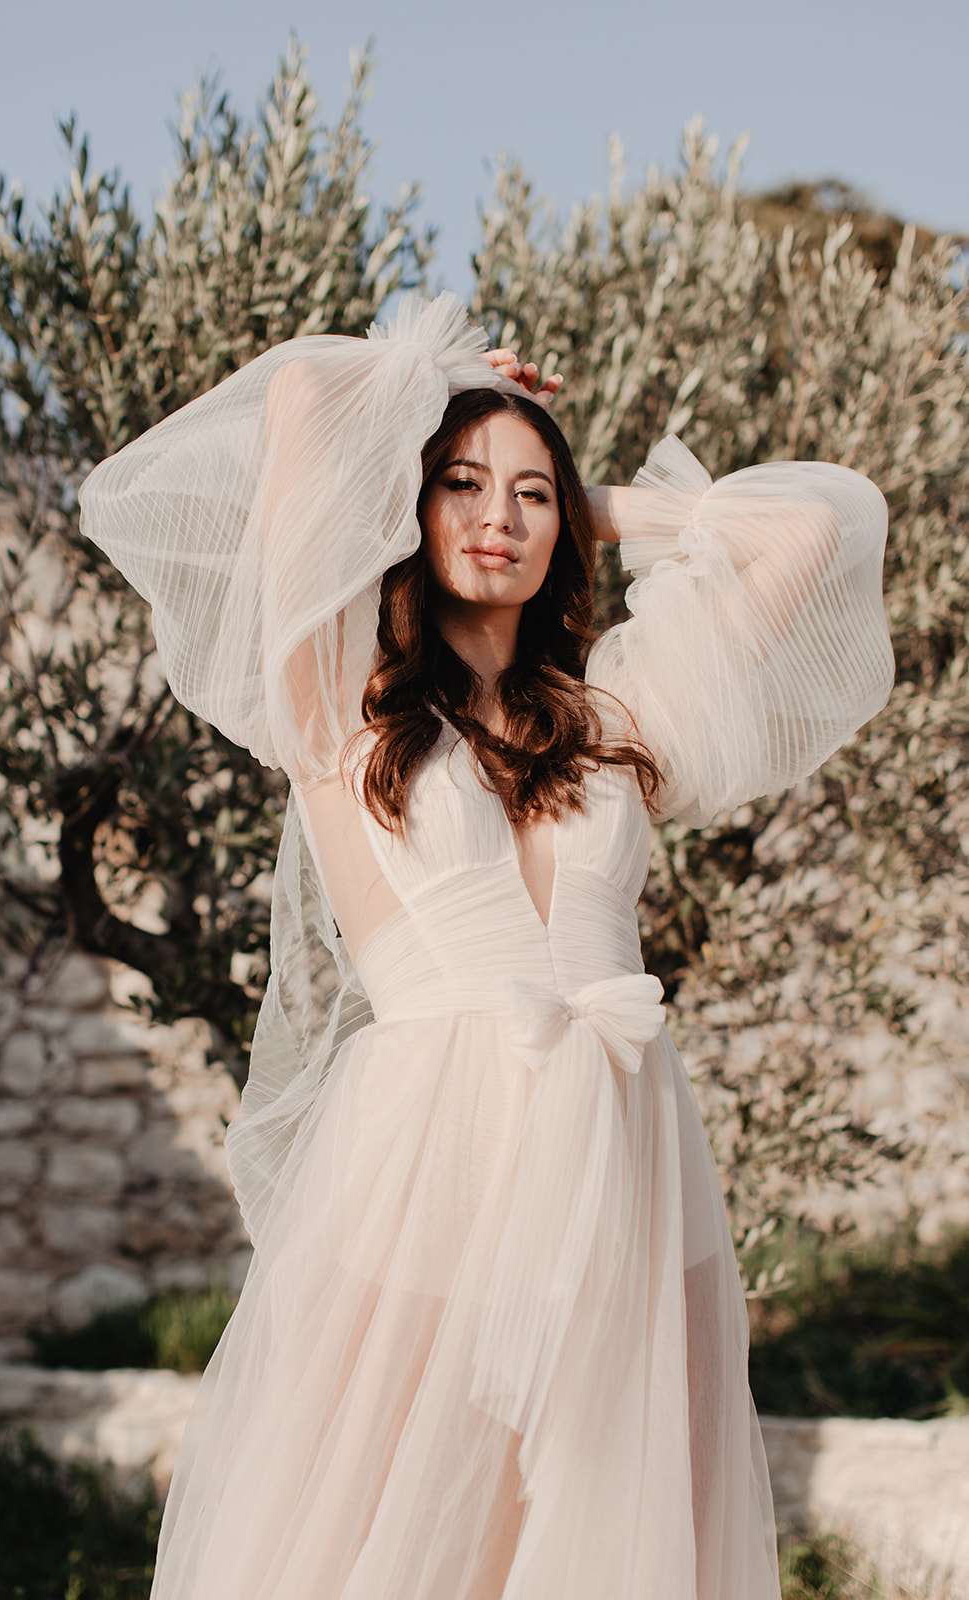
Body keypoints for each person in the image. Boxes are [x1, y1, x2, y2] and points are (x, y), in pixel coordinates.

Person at [78, 288, 896, 1598]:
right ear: (409, 502)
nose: (497, 518)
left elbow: (817, 526)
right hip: (429, 1146)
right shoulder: (337, 700)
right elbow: (297, 402)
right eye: (462, 485)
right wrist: (432, 377)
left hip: (624, 1141)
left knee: (600, 1520)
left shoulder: (622, 712)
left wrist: (590, 498)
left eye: (527, 496)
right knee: (376, 1522)